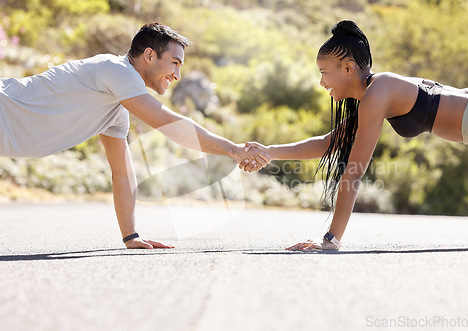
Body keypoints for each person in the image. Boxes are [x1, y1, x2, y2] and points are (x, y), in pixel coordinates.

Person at [0, 23, 270, 249]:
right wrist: (234, 150)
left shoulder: (115, 109)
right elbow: (169, 123)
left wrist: (131, 236)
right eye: (174, 63)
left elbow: (123, 173)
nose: (177, 75)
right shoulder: (116, 70)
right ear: (150, 55)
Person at [242, 19, 468, 250]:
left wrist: (330, 240)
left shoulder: (378, 93)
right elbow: (329, 142)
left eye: (323, 72)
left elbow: (353, 171)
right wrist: (270, 151)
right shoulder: (376, 93)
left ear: (348, 68)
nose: (321, 82)